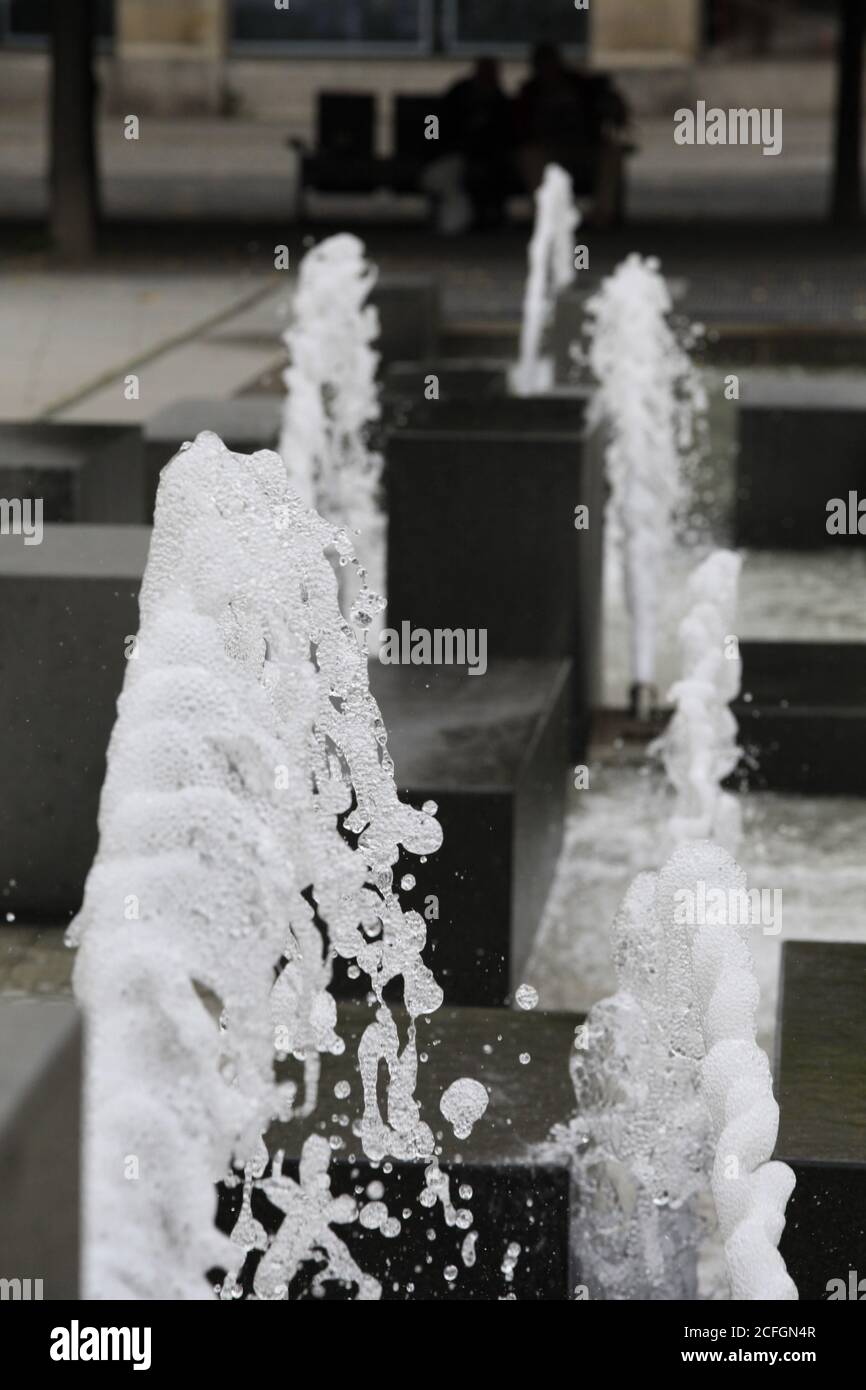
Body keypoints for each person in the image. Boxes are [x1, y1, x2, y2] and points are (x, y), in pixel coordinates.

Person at [514, 44, 630, 227]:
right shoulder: (530, 92)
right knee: (529, 155)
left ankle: (603, 214)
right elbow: (519, 128)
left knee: (611, 154)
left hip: (584, 149)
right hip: (548, 152)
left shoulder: (582, 87)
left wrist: (610, 105)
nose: (548, 70)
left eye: (550, 64)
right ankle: (547, 214)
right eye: (542, 65)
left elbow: (616, 114)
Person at [425, 58, 514, 233]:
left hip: (487, 158)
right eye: (484, 73)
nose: (487, 78)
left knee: (492, 171)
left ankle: (488, 218)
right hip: (451, 156)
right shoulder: (458, 95)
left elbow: (506, 136)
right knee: (445, 182)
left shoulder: (500, 101)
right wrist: (439, 148)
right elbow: (433, 123)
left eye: (491, 74)